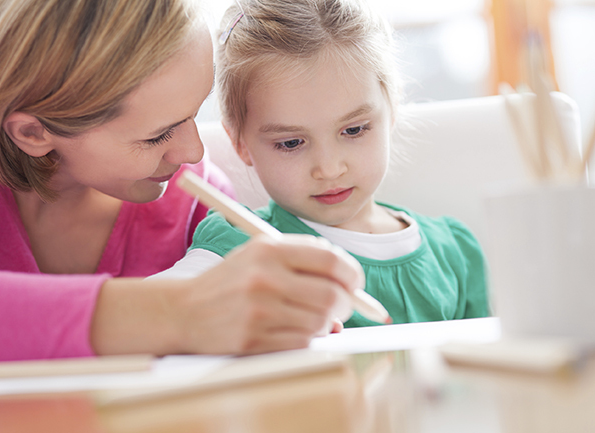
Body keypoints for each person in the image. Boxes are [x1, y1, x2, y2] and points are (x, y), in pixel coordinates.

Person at [0, 0, 365, 364]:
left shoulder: (202, 210)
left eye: (194, 114)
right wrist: (172, 312)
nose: (193, 153)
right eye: (158, 135)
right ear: (34, 133)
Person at [152, 0, 490, 326]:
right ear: (240, 142)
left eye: (354, 129)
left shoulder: (455, 251)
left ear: (392, 109)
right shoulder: (238, 243)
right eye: (291, 143)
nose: (328, 169)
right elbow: (151, 311)